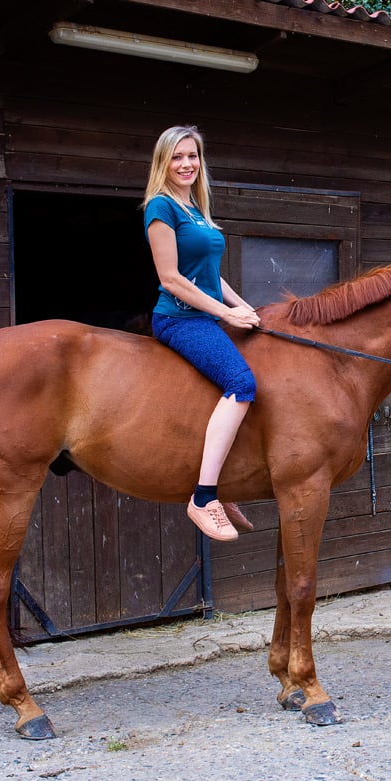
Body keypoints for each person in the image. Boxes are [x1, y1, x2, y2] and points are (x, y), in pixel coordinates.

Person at [143, 125, 260, 541]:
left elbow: (210, 277)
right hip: (178, 318)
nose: (186, 164)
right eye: (177, 157)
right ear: (164, 162)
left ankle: (222, 482)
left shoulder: (194, 208)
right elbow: (172, 279)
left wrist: (242, 305)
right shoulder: (161, 208)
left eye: (192, 156)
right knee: (241, 382)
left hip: (205, 315)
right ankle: (204, 497)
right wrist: (226, 315)